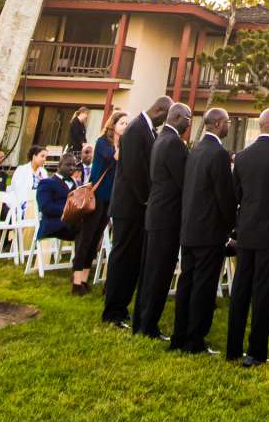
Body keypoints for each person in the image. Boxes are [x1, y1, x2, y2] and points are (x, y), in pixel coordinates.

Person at [227, 107, 269, 366]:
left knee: (241, 288)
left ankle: (233, 348)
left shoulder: (242, 157)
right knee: (264, 292)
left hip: (245, 231)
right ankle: (256, 352)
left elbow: (236, 195)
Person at [101, 96, 170, 330]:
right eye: (167, 115)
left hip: (137, 207)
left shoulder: (148, 129)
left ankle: (122, 307)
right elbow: (132, 170)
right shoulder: (135, 129)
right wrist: (146, 199)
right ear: (159, 110)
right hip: (128, 207)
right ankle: (113, 310)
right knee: (122, 258)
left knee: (132, 260)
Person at [170, 107, 236, 355]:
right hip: (209, 231)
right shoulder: (217, 153)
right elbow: (224, 194)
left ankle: (179, 334)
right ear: (218, 124)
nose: (229, 125)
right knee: (203, 286)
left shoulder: (195, 149)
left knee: (187, 281)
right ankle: (195, 340)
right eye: (228, 121)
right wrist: (231, 224)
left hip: (189, 228)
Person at [134, 102, 192, 338]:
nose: (189, 123)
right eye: (188, 118)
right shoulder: (174, 144)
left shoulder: (160, 139)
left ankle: (141, 320)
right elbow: (183, 181)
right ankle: (148, 326)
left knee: (149, 272)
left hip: (155, 213)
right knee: (159, 273)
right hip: (167, 217)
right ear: (177, 117)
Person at [72, 112, 123, 294]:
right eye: (122, 123)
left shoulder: (121, 144)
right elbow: (113, 157)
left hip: (110, 197)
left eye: (127, 123)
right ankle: (77, 281)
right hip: (96, 196)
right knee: (86, 237)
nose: (125, 126)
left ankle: (85, 278)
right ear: (113, 124)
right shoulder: (103, 143)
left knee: (96, 239)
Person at [35, 156, 78, 241]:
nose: (72, 168)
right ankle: (83, 254)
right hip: (54, 225)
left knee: (93, 226)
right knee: (86, 229)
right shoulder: (46, 183)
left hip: (72, 224)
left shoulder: (77, 184)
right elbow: (45, 207)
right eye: (68, 165)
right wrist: (69, 211)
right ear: (59, 166)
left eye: (74, 165)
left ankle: (88, 253)